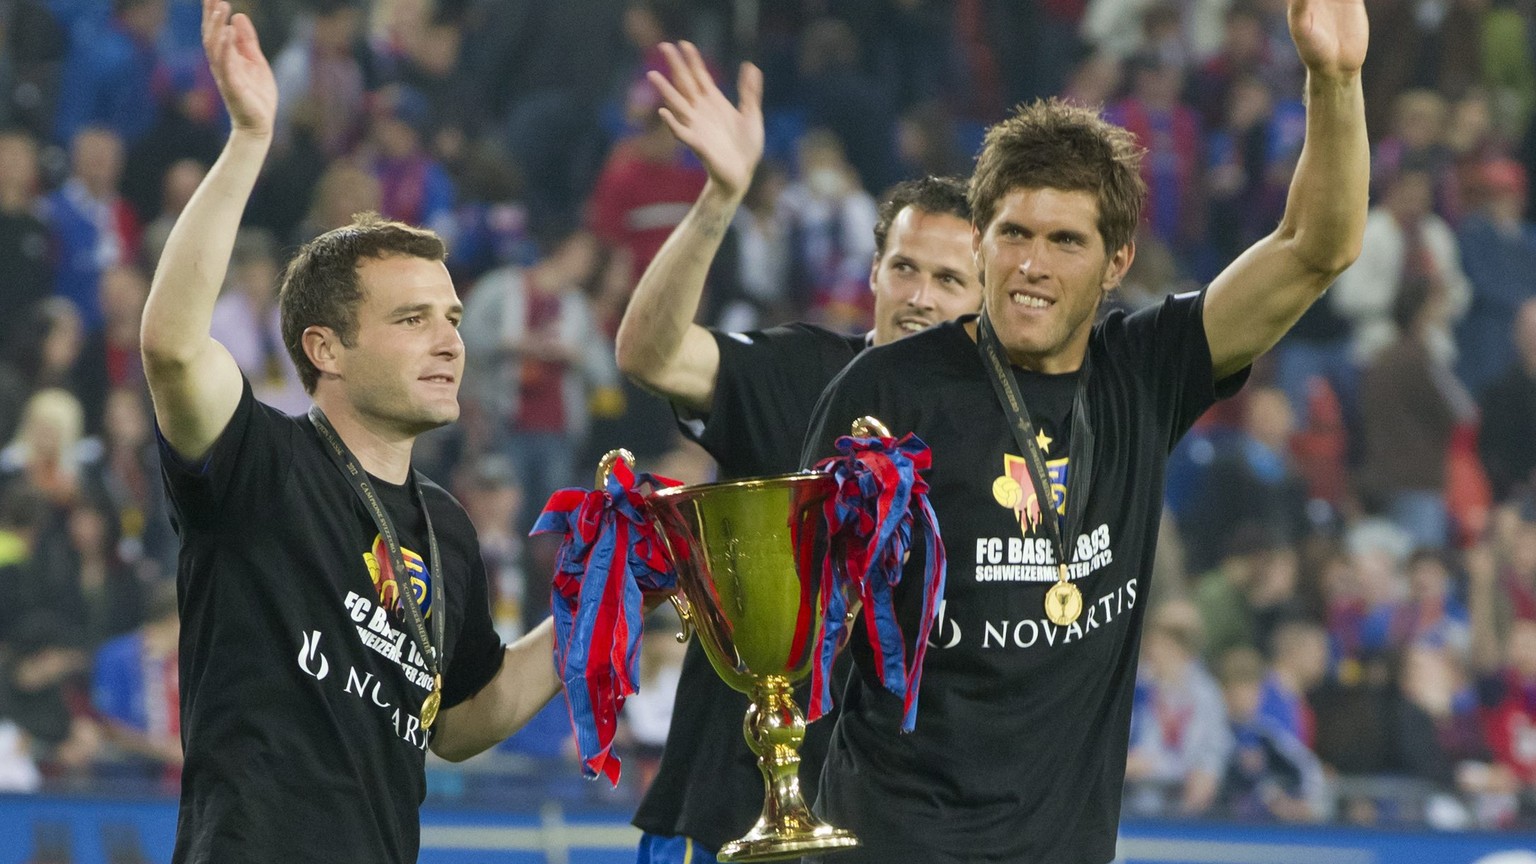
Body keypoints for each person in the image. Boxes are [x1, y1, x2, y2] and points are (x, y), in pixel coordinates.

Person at [799, 1, 1369, 860]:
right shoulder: (886, 392)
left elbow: (1313, 249)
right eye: (1013, 234)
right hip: (894, 839)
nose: (1031, 264)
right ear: (983, 243)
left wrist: (1335, 81)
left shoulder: (1144, 371)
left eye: (1065, 240)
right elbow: (802, 624)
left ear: (1116, 263)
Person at [139, 3, 561, 862]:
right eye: (413, 319)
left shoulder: (445, 528)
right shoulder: (261, 463)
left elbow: (460, 720)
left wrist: (598, 608)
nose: (450, 340)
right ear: (324, 349)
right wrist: (250, 139)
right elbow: (172, 348)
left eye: (450, 316)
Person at [611, 42, 982, 864]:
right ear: (874, 274)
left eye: (951, 281)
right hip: (726, 813)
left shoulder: (999, 440)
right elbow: (648, 354)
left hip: (894, 826)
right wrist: (720, 200)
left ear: (986, 298)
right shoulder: (799, 371)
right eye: (905, 268)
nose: (921, 296)